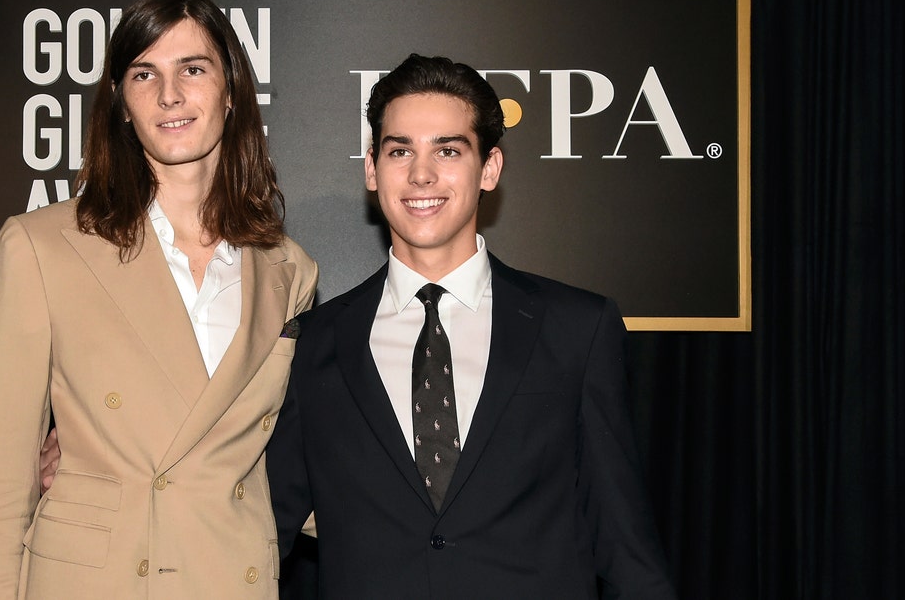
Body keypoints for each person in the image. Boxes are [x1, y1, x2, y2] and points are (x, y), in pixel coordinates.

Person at [264, 54, 678, 598]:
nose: (421, 174)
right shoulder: (315, 342)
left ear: (489, 169)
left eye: (448, 150)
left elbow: (625, 544)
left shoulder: (577, 328)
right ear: (372, 169)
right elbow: (262, 532)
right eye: (399, 150)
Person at [0, 0, 318, 599]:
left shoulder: (288, 269)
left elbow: (288, 461)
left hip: (229, 577)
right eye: (143, 73)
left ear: (230, 93)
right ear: (122, 104)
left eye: (193, 69)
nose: (169, 95)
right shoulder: (40, 247)